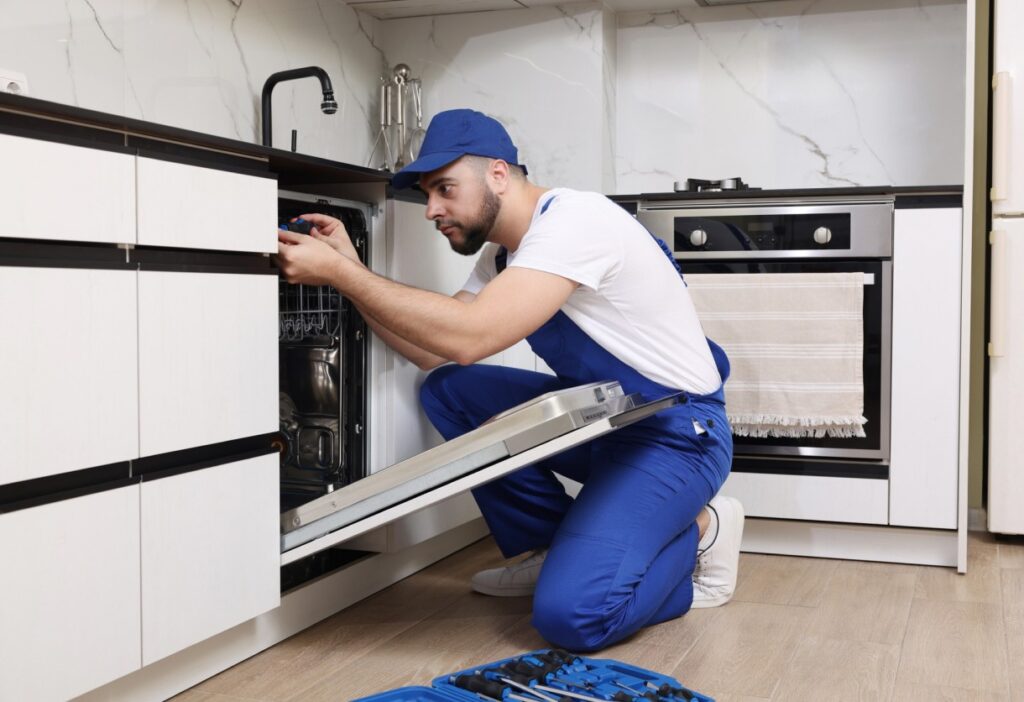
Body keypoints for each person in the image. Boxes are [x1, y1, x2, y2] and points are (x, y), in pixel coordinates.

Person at [276, 108, 744, 652]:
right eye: (428, 194)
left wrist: (342, 273)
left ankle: (702, 533)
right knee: (452, 390)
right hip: (609, 419)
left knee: (575, 618)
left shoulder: (575, 221)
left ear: (498, 174)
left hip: (676, 434)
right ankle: (548, 547)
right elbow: (435, 353)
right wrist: (350, 271)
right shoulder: (505, 255)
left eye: (445, 189)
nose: (432, 209)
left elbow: (469, 336)